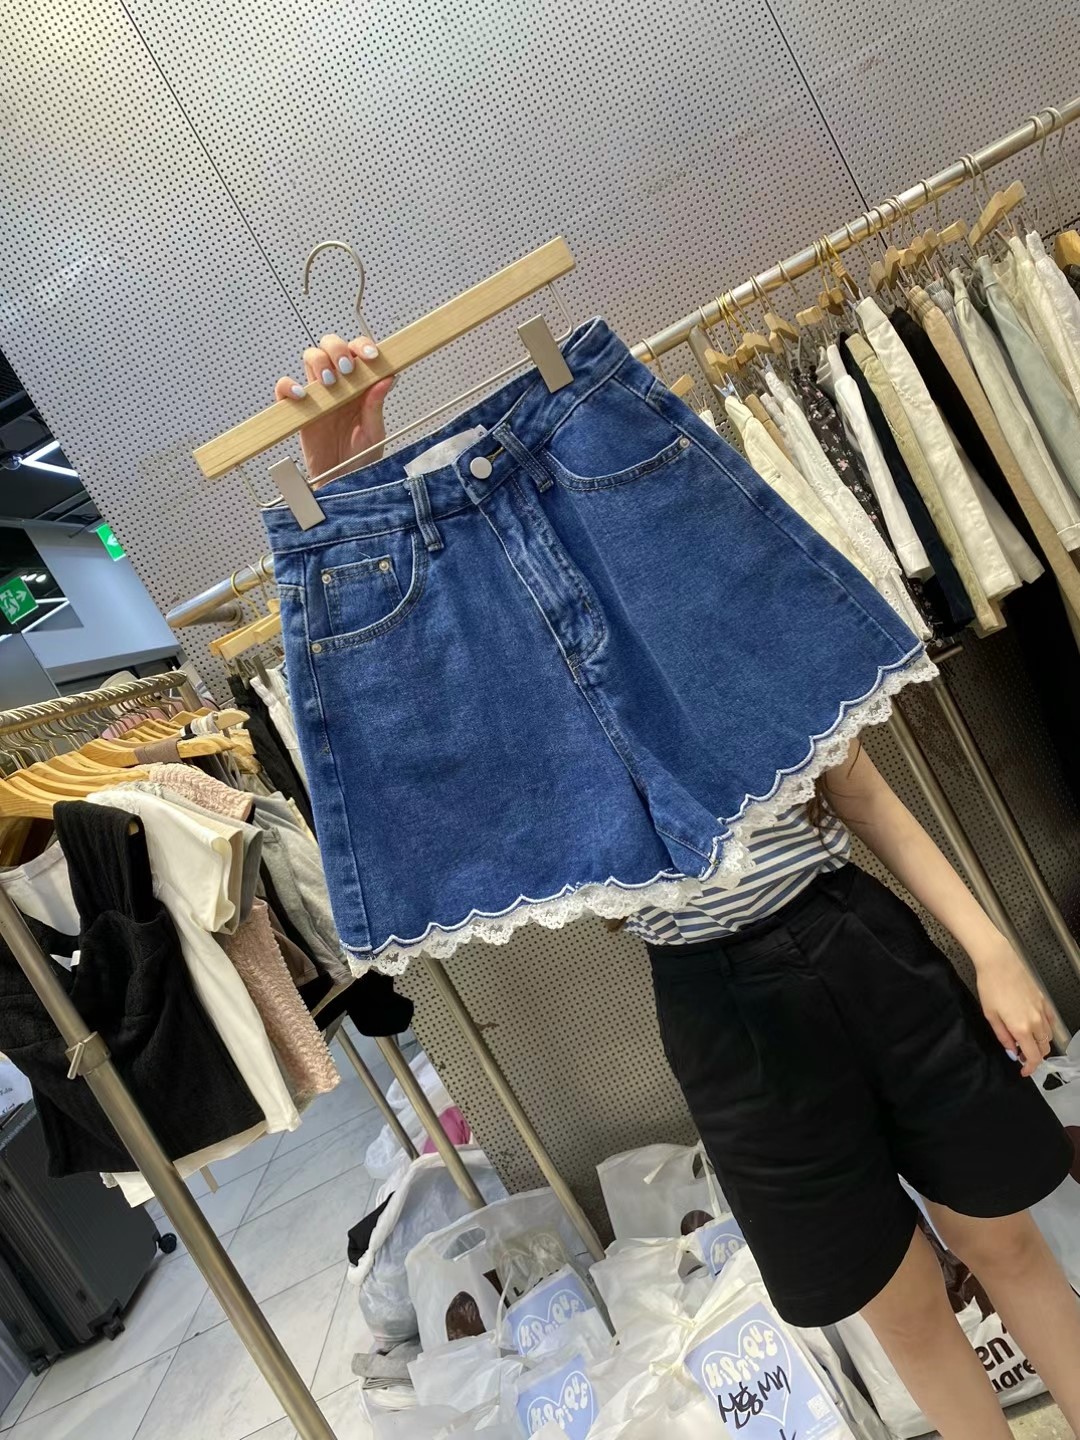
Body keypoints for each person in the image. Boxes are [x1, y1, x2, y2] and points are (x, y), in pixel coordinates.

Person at [276, 332, 1080, 1440]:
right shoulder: (526, 695)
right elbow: (422, 708)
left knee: (1004, 1240)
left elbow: (863, 794)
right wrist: (344, 486)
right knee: (897, 1307)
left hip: (857, 939)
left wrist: (991, 950)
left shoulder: (686, 609)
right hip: (718, 1007)